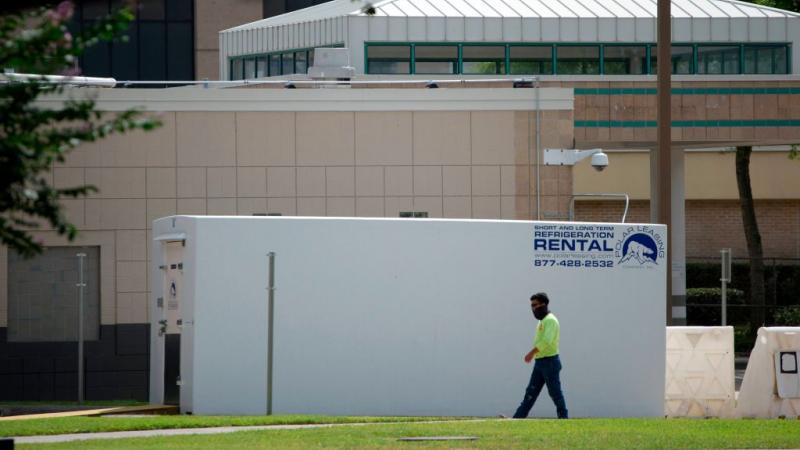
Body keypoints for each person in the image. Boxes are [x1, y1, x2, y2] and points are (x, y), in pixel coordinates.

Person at [512, 292, 568, 419]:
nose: (533, 308)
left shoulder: (551, 320)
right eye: (531, 305)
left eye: (535, 305)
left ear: (544, 304)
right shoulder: (542, 321)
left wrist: (531, 353)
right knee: (530, 392)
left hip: (550, 361)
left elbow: (547, 341)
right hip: (540, 362)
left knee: (555, 392)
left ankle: (564, 418)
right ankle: (517, 418)